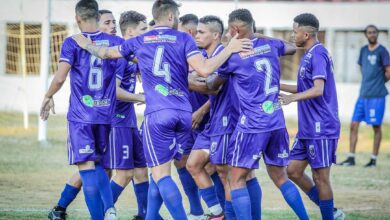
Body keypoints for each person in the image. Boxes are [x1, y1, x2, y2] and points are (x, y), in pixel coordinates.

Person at [71, 0, 252, 219]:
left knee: (160, 173)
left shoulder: (140, 40)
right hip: (183, 115)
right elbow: (205, 70)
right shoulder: (184, 38)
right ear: (170, 17)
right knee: (162, 172)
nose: (177, 19)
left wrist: (84, 43)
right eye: (176, 15)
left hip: (158, 114)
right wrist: (230, 49)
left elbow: (106, 53)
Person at [208, 9, 309, 220]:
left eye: (229, 29)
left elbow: (213, 85)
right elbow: (291, 48)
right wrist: (258, 36)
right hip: (276, 121)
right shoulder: (271, 46)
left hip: (252, 125)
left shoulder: (233, 56)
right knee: (280, 177)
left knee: (236, 179)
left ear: (235, 29)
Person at [40, 0, 122, 219]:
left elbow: (59, 78)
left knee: (87, 171)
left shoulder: (72, 42)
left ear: (77, 19)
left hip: (81, 117)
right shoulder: (115, 42)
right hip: (105, 116)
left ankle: (99, 215)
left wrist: (48, 96)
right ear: (97, 15)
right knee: (100, 166)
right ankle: (109, 209)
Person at [279, 13, 344, 220]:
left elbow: (317, 89)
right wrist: (276, 85)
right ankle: (332, 212)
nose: (292, 35)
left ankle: (329, 216)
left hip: (321, 126)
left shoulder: (318, 54)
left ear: (306, 34)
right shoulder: (308, 54)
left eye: (295, 31)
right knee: (293, 170)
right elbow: (304, 86)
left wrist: (293, 98)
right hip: (308, 127)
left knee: (321, 178)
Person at [186, 15, 238, 220]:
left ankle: (230, 216)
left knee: (226, 174)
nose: (196, 35)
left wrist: (183, 81)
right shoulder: (205, 56)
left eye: (201, 32)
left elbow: (214, 88)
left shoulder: (223, 55)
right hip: (214, 122)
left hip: (227, 121)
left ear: (216, 35)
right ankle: (217, 213)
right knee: (193, 164)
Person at [338, 24, 390, 167]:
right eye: (369, 32)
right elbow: (363, 69)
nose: (372, 34)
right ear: (366, 35)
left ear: (377, 34)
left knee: (376, 127)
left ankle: (373, 159)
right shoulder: (363, 51)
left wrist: (379, 82)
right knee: (354, 124)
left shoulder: (382, 51)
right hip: (363, 94)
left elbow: (388, 72)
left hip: (377, 96)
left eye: (374, 32)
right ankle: (351, 158)